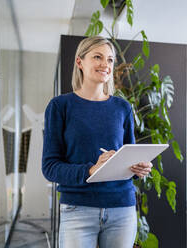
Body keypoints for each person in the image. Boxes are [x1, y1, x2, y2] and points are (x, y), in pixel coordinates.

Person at [42, 36, 152, 248]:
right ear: (79, 62)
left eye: (110, 60)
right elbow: (50, 168)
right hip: (77, 210)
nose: (105, 64)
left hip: (122, 209)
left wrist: (138, 166)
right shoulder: (60, 106)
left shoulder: (123, 108)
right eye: (98, 57)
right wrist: (92, 169)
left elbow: (129, 154)